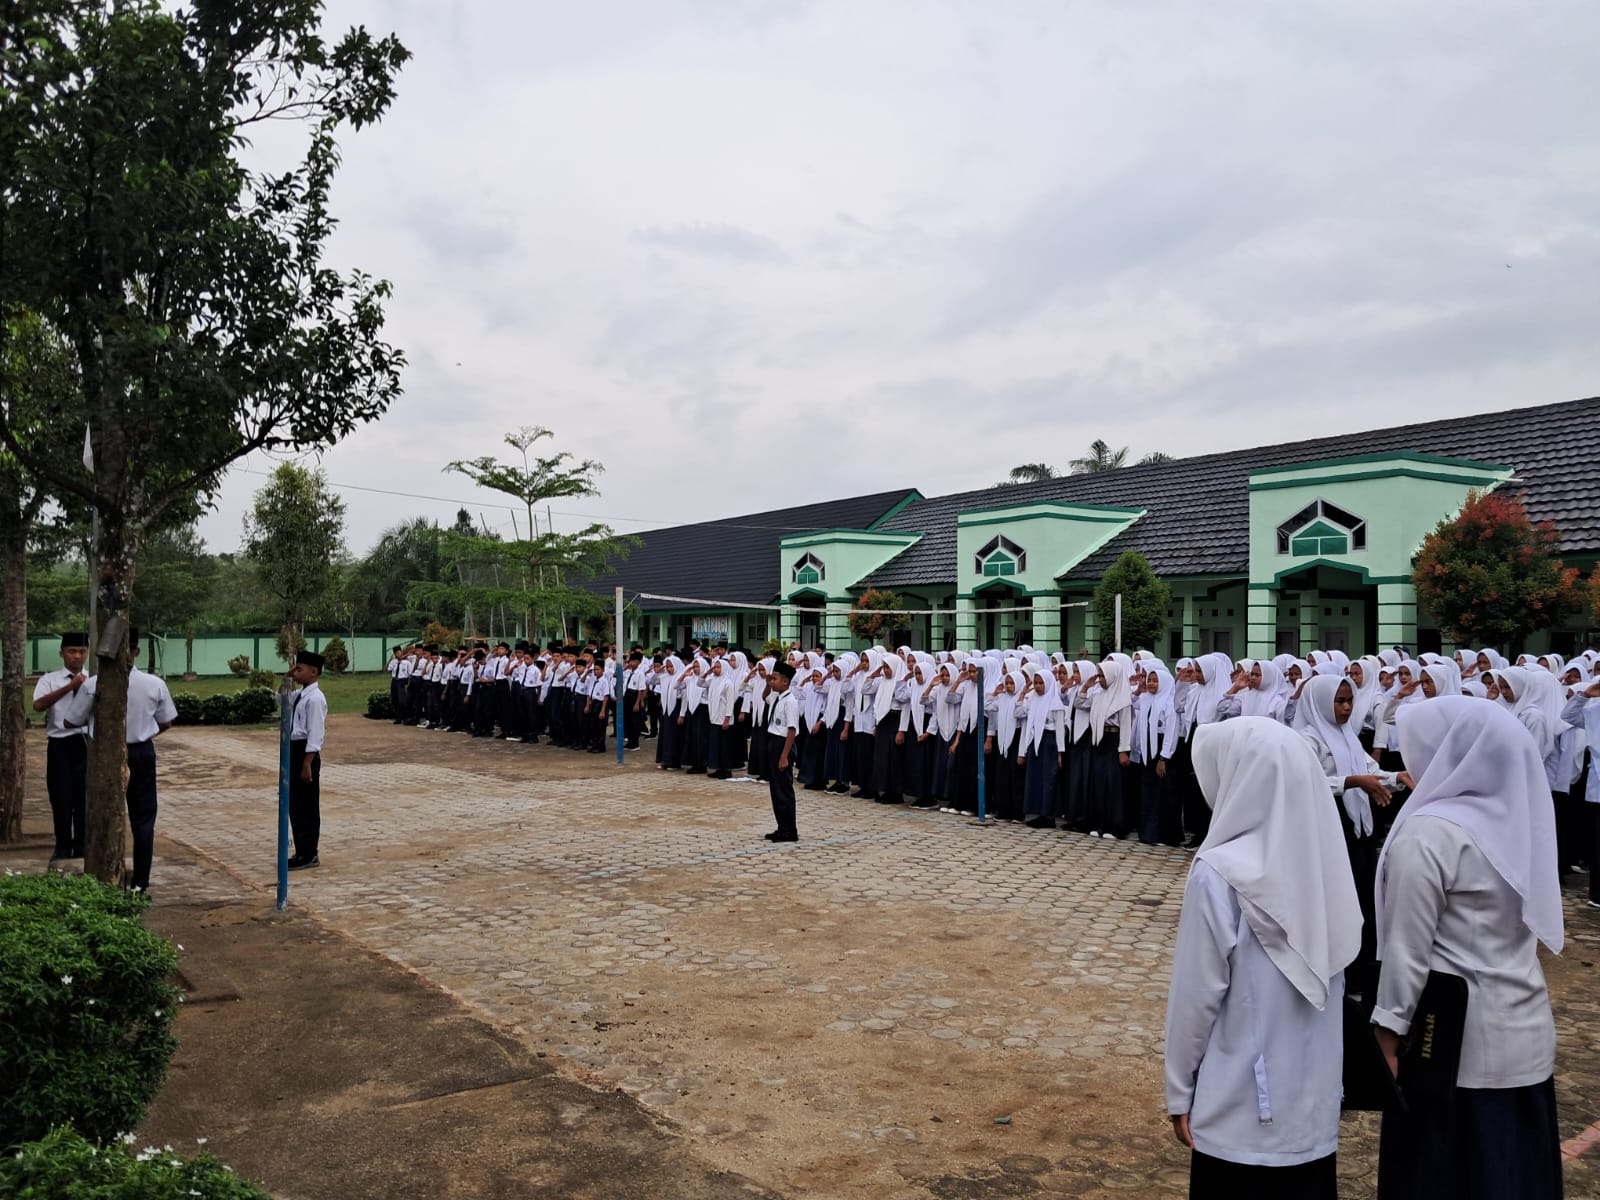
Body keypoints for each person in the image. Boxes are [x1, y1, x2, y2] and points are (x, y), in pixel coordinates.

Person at [1372, 697, 1564, 1200]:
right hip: (1525, 1030)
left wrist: (1387, 1031)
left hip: (1450, 1049)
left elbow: (1407, 951)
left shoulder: (1429, 834)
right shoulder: (1517, 822)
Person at [1164, 717, 1361, 1199]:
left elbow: (1195, 997)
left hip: (1238, 1113)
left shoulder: (1218, 873)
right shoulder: (1326, 866)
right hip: (1313, 1108)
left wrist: (1179, 1089)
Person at [66, 628, 177, 895]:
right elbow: (166, 722)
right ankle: (140, 882)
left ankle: (103, 875)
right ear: (136, 651)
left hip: (106, 753)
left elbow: (71, 721)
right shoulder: (154, 684)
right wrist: (143, 732)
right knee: (143, 819)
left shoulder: (93, 685)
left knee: (101, 813)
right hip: (141, 752)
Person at [31, 631, 91, 861]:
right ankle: (63, 846)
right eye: (72, 651)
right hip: (60, 744)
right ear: (62, 653)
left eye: (82, 651)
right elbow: (38, 705)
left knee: (83, 797)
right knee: (61, 797)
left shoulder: (93, 678)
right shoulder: (50, 680)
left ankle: (82, 846)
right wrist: (70, 686)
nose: (77, 656)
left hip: (85, 742)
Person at [287, 649, 328, 870]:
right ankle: (301, 850)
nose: (296, 672)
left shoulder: (315, 698)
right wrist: (286, 679)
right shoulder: (300, 694)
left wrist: (307, 763)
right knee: (295, 804)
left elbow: (316, 733)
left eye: (299, 669)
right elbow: (280, 700)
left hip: (306, 753)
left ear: (313, 672)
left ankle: (310, 852)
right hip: (294, 750)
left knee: (307, 805)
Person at [764, 661, 800, 843]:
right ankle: (781, 827)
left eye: (775, 679)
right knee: (775, 789)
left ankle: (790, 830)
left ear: (785, 682)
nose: (772, 681)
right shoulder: (776, 697)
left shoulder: (790, 702)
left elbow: (792, 730)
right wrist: (767, 683)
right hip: (773, 741)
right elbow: (764, 697)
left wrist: (784, 756)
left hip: (783, 744)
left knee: (784, 790)